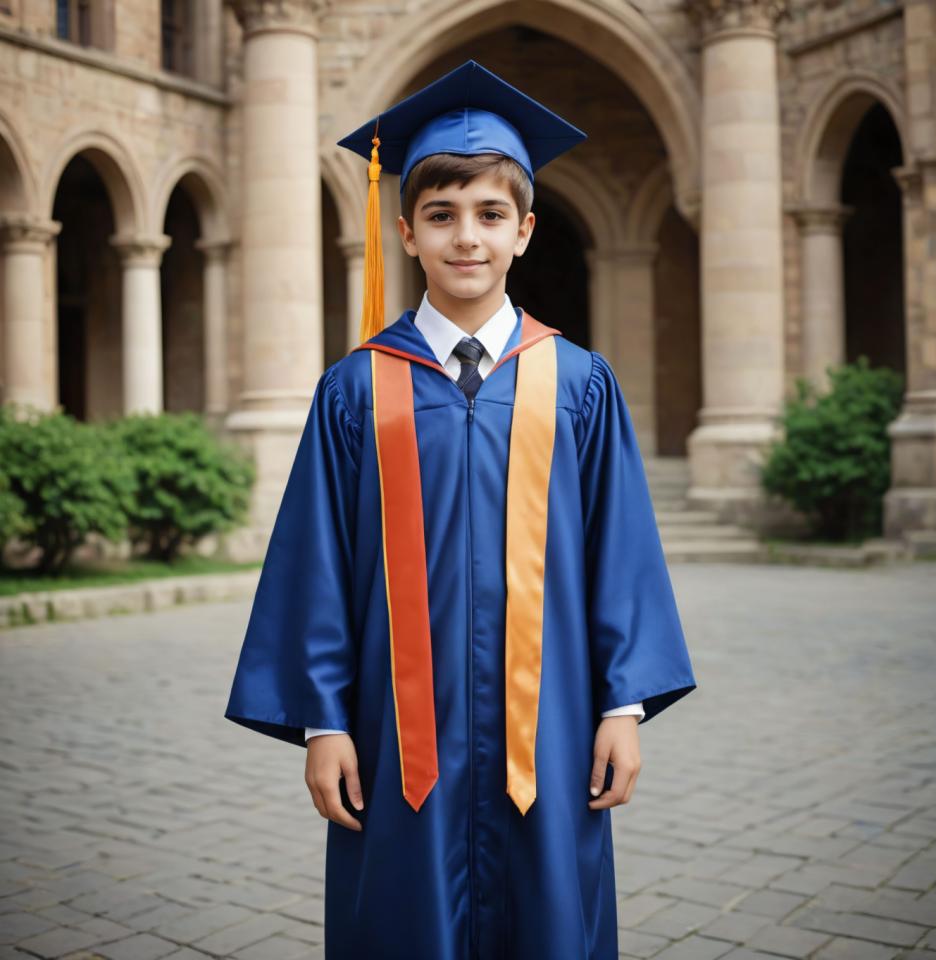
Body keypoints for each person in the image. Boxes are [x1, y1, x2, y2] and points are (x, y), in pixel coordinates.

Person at [224, 59, 697, 960]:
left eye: (488, 216)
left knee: (552, 911)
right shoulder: (357, 388)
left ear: (524, 230)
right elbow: (315, 564)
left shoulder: (580, 382)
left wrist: (624, 707)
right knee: (402, 920)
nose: (465, 238)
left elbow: (621, 553)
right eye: (441, 216)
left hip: (549, 731)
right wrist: (324, 722)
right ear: (405, 232)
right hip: (396, 742)